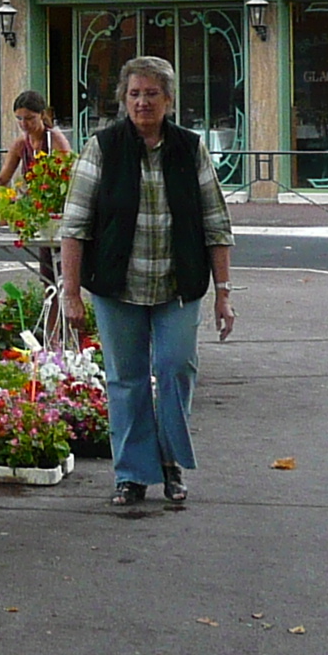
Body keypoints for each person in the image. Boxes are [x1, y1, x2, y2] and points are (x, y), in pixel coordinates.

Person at [58, 54, 233, 511]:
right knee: (126, 379)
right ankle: (133, 475)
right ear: (122, 99)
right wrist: (71, 292)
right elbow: (75, 224)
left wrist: (224, 294)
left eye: (152, 94)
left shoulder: (190, 148)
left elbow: (216, 223)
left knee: (176, 368)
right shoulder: (103, 147)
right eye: (134, 94)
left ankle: (171, 463)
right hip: (118, 286)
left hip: (178, 286)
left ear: (169, 100)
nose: (142, 103)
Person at [0, 88, 73, 193]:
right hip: (31, 199)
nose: (24, 124)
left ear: (42, 115)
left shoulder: (56, 140)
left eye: (30, 118)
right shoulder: (20, 143)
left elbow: (68, 176)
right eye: (19, 119)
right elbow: (2, 179)